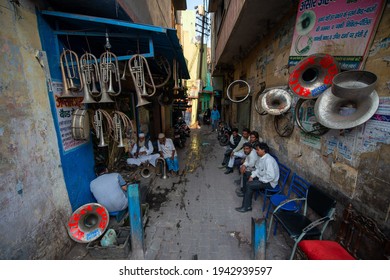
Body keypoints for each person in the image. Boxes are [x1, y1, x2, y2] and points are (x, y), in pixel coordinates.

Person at [235, 142, 279, 213]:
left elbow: (271, 176)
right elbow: (258, 169)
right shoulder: (262, 158)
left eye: (258, 150)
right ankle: (245, 192)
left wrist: (259, 179)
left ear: (263, 150)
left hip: (270, 183)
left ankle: (246, 207)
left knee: (250, 184)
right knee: (248, 174)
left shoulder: (268, 160)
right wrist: (252, 176)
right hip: (263, 178)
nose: (256, 151)